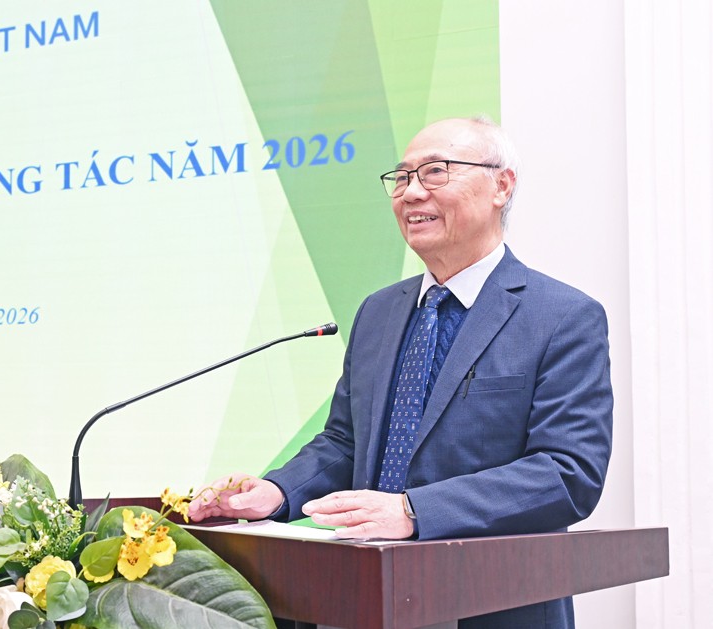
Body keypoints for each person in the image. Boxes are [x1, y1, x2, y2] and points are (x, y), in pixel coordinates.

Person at [189, 116, 613, 628]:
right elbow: (346, 442)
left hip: (492, 606)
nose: (411, 193)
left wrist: (414, 511)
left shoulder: (561, 316)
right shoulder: (379, 311)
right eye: (402, 177)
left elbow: (567, 473)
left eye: (435, 172)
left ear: (501, 186)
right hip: (364, 599)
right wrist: (278, 492)